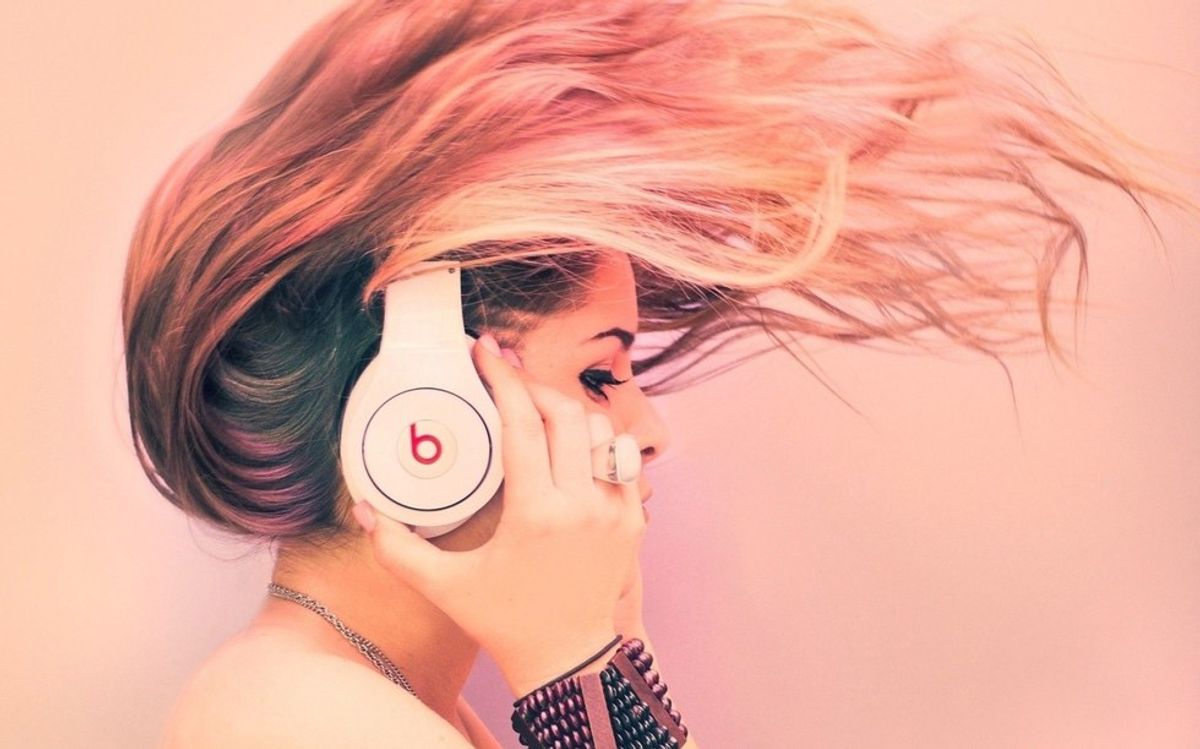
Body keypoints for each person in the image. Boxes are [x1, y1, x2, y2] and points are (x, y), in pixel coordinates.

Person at [121, 0, 1195, 746]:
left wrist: (596, 658)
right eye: (600, 375)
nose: (648, 431)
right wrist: (576, 661)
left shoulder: (372, 700)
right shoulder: (298, 720)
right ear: (424, 419)